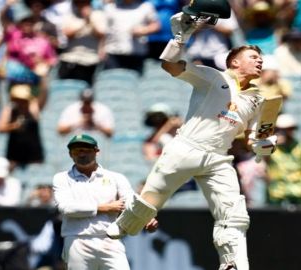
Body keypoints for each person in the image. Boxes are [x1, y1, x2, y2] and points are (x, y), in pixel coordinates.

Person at [106, 11, 278, 270]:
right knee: (150, 202)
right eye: (253, 57)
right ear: (234, 62)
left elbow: (255, 139)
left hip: (219, 158)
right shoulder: (212, 77)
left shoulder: (258, 100)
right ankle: (124, 224)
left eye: (261, 58)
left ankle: (234, 265)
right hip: (186, 148)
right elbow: (170, 65)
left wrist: (263, 146)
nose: (259, 62)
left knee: (235, 215)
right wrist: (181, 36)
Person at [52, 133, 158, 270]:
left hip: (110, 239)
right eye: (77, 151)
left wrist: (146, 218)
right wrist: (104, 208)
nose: (81, 154)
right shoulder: (61, 178)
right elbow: (66, 208)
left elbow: (131, 202)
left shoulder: (115, 177)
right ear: (70, 154)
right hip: (77, 239)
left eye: (86, 150)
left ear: (97, 151)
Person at [264, 114, 301, 207]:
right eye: (279, 129)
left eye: (286, 129)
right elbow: (264, 165)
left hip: (298, 190)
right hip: (277, 191)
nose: (282, 132)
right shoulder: (269, 148)